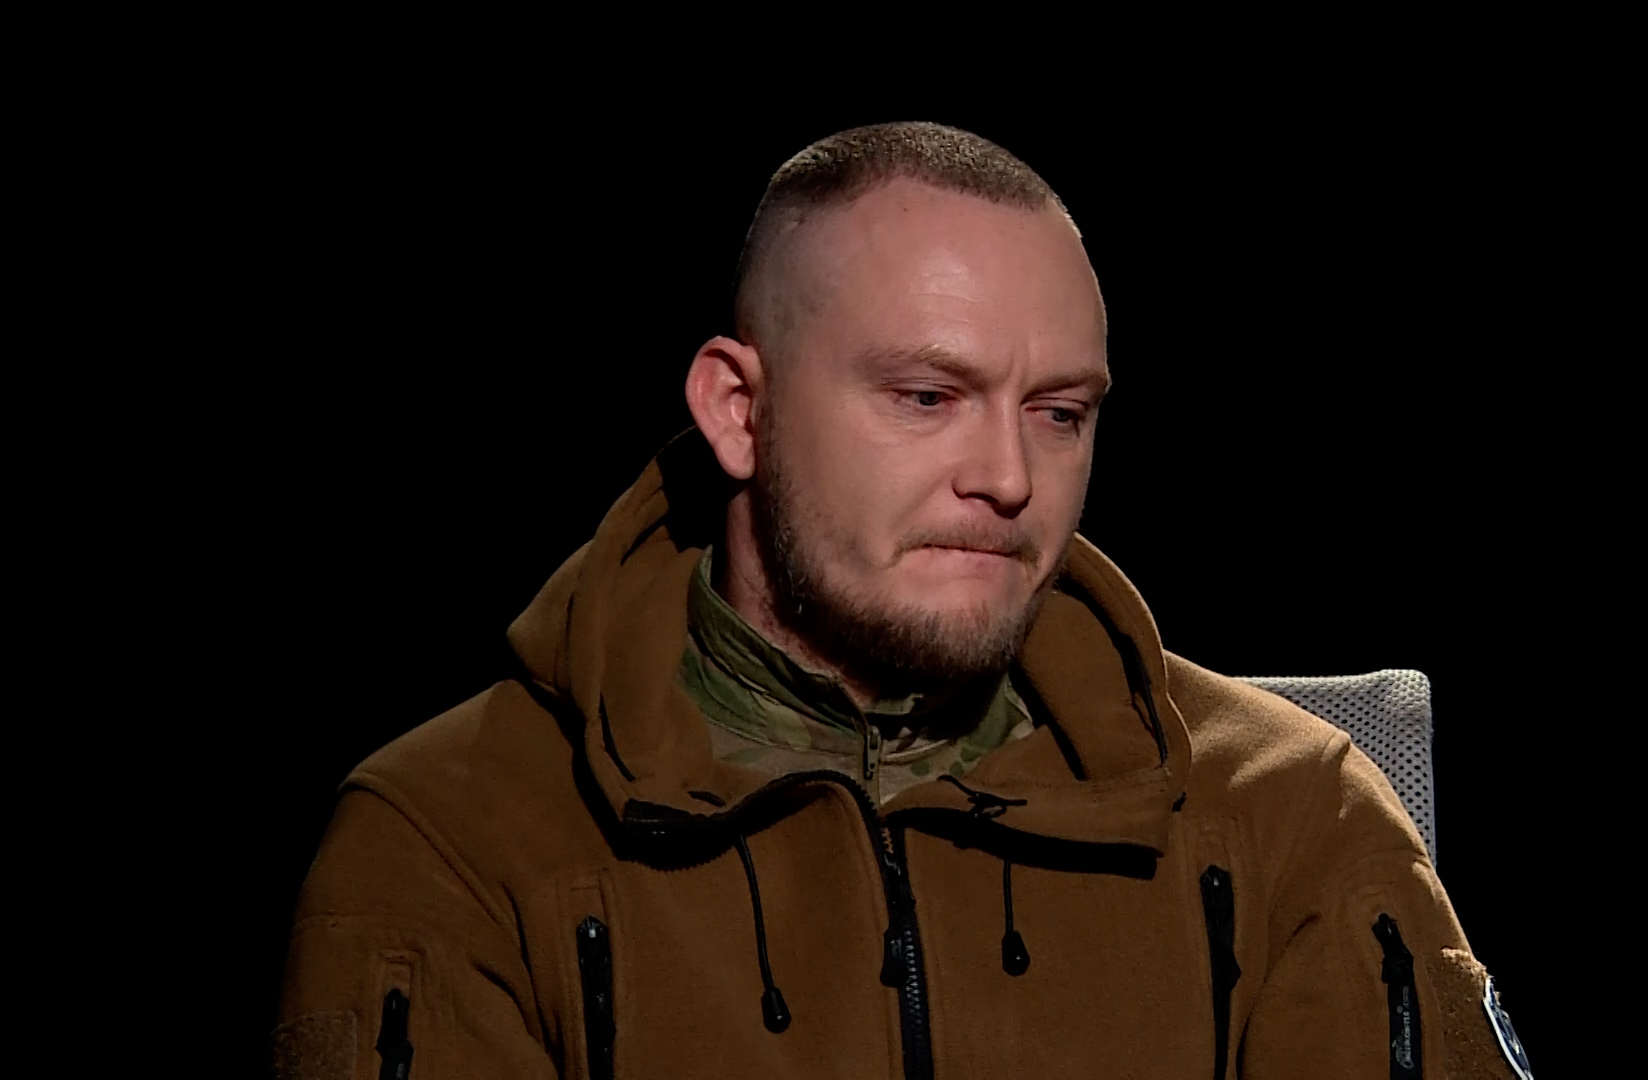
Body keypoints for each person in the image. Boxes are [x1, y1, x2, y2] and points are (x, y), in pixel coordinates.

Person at [274, 122, 1530, 1079]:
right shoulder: (452, 837)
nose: (1008, 478)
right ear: (739, 411)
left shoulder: (1295, 811)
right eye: (927, 398)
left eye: (1060, 414)